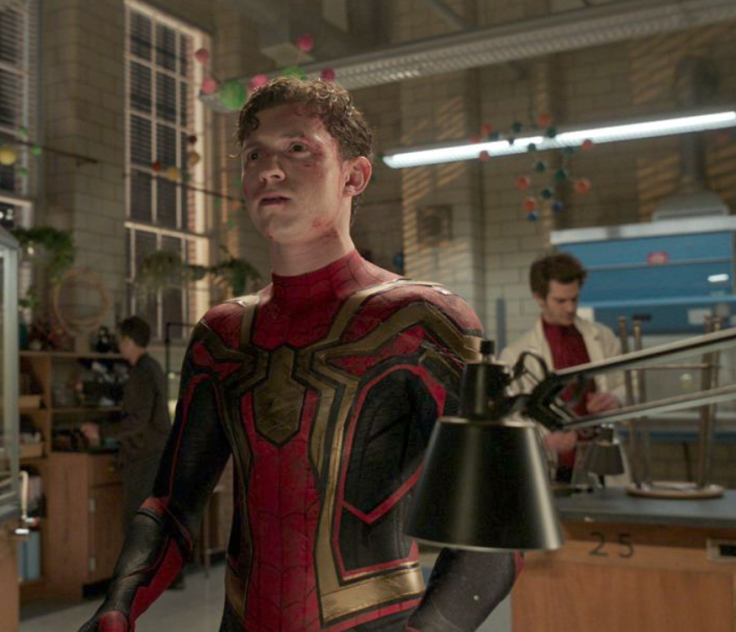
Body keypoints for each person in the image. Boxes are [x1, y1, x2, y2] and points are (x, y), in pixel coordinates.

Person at [78, 77, 518, 632]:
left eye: (297, 148)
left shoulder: (425, 322)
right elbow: (172, 502)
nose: (269, 169)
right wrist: (118, 606)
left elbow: (497, 519)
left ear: (354, 176)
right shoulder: (222, 335)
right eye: (254, 155)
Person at [499, 252, 625, 483]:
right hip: (552, 468)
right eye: (561, 301)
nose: (570, 308)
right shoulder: (515, 355)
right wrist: (544, 439)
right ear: (539, 298)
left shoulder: (602, 337)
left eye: (574, 299)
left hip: (600, 464)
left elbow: (630, 384)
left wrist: (615, 399)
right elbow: (511, 419)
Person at [116, 316, 172, 536]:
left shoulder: (142, 371)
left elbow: (139, 419)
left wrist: (102, 432)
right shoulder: (152, 367)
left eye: (121, 340)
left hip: (145, 456)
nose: (119, 345)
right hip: (155, 453)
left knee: (138, 520)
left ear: (128, 341)